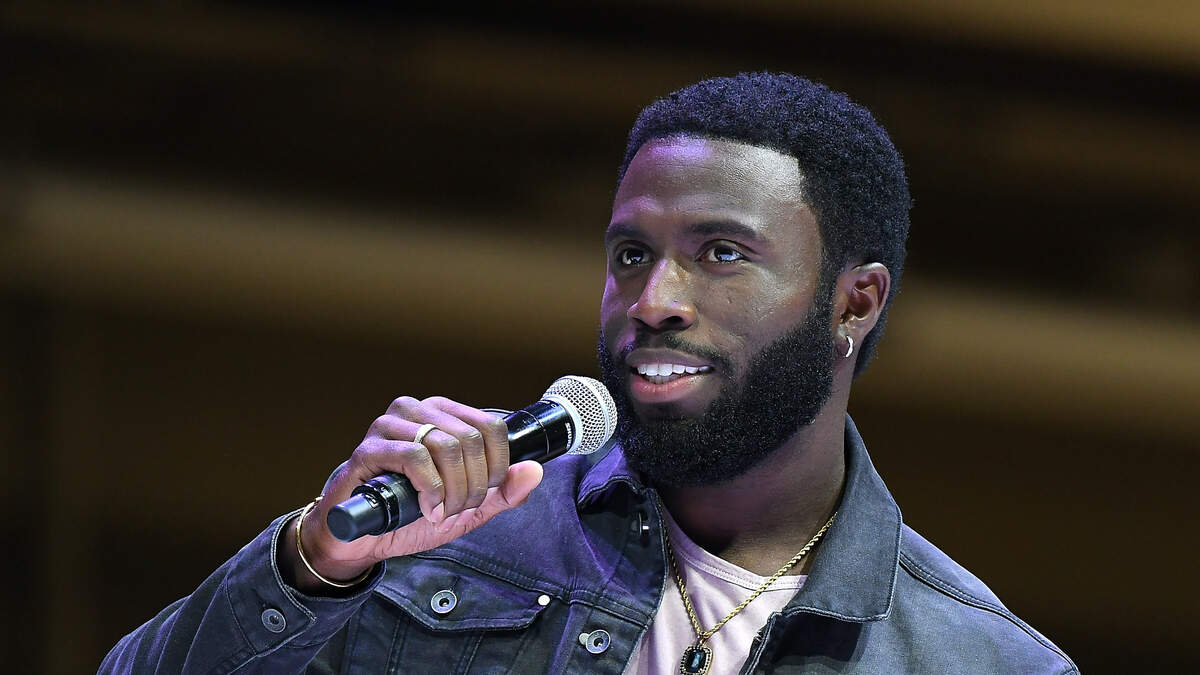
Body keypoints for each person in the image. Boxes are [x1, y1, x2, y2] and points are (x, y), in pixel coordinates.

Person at [103, 72, 1078, 674]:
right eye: (630, 254)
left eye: (721, 253)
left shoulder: (980, 661)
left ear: (853, 304)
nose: (654, 298)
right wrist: (318, 559)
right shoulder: (451, 524)